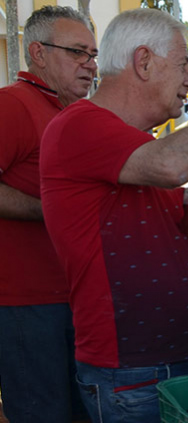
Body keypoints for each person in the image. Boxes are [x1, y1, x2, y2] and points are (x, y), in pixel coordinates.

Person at [39, 8, 188, 422]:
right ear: (144, 61)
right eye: (185, 65)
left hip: (186, 356)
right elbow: (174, 166)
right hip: (133, 373)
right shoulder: (79, 126)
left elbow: (173, 237)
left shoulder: (139, 146)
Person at [0, 6, 97, 422]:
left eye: (93, 54)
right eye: (77, 53)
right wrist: (52, 211)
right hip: (26, 303)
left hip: (74, 297)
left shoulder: (71, 113)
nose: (90, 65)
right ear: (38, 54)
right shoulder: (14, 105)